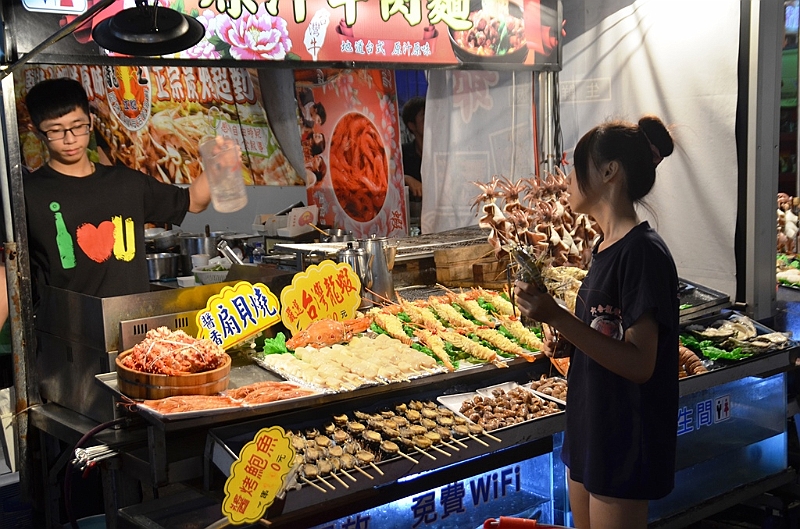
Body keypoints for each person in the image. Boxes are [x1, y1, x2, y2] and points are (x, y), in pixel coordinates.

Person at [513, 116, 678, 529]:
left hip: (624, 436)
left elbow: (641, 363)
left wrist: (558, 317)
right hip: (590, 427)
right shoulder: (603, 246)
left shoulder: (643, 253)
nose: (567, 179)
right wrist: (564, 339)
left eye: (575, 167)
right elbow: (607, 334)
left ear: (609, 172)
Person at [23, 78, 214, 298]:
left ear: (91, 122)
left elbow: (193, 201)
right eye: (55, 131)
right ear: (37, 132)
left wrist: (218, 165)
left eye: (78, 127)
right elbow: (5, 269)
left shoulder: (127, 183)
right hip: (65, 326)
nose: (70, 139)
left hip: (132, 325)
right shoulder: (28, 195)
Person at [401, 96, 425, 201]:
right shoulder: (403, 153)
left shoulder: (443, 153)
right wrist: (406, 178)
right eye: (424, 118)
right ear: (412, 125)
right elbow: (389, 179)